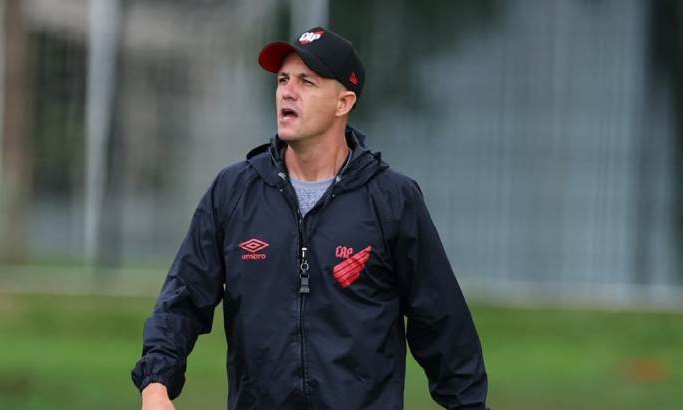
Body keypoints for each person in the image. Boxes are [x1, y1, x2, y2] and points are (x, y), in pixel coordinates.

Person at [132, 26, 488, 410]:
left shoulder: (392, 200)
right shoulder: (234, 191)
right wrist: (156, 384)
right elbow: (183, 299)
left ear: (343, 102)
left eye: (307, 81)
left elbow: (442, 324)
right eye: (283, 79)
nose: (287, 90)